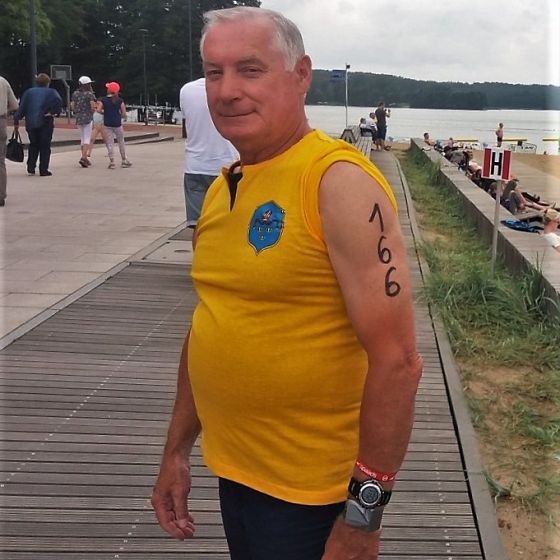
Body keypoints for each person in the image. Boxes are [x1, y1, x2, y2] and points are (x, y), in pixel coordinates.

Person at [151, 7, 422, 560]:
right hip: (235, 473)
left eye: (250, 70)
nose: (227, 91)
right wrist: (176, 451)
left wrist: (362, 519)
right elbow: (211, 323)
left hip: (311, 497)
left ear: (301, 75)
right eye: (214, 72)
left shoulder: (337, 183)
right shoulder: (225, 186)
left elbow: (399, 361)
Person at [179, 77, 238, 245]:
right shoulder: (233, 90)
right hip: (227, 167)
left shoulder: (187, 90)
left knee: (198, 225)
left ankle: (199, 258)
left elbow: (186, 124)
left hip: (195, 166)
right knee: (229, 224)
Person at [13, 73, 62, 177]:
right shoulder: (52, 92)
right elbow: (58, 104)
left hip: (31, 123)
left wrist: (16, 118)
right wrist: (53, 112)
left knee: (33, 144)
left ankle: (31, 167)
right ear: (48, 83)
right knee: (45, 146)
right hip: (45, 122)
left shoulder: (28, 92)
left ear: (37, 82)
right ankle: (43, 169)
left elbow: (22, 108)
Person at [97, 81, 131, 169]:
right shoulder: (120, 101)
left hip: (107, 123)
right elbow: (124, 113)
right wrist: (119, 116)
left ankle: (112, 162)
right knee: (121, 141)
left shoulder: (103, 100)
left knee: (110, 142)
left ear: (109, 90)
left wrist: (105, 113)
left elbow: (98, 110)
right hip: (117, 123)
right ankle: (124, 160)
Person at [0, 75, 19, 207]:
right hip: (0, 122)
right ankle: (1, 195)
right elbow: (14, 105)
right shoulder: (3, 81)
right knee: (0, 161)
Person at [70, 76, 96, 167]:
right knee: (87, 138)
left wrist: (77, 111)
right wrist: (92, 110)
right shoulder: (89, 94)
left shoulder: (75, 94)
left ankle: (83, 156)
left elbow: (72, 106)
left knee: (82, 138)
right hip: (87, 117)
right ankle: (84, 157)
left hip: (79, 117)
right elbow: (92, 106)